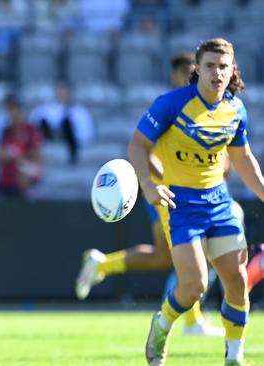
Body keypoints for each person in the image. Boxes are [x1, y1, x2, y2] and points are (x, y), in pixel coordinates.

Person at [129, 38, 264, 366]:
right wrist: (147, 185)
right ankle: (161, 326)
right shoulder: (171, 104)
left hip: (219, 201)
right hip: (181, 204)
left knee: (237, 280)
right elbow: (137, 146)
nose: (217, 73)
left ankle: (234, 358)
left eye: (224, 66)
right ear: (197, 69)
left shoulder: (235, 109)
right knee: (194, 287)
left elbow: (242, 157)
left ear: (233, 70)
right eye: (210, 66)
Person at [75, 52, 224, 337]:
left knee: (165, 256)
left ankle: (103, 264)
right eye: (186, 73)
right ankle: (192, 322)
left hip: (170, 189)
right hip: (166, 190)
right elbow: (145, 148)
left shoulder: (200, 106)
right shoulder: (174, 106)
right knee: (189, 251)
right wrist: (164, 178)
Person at [28, 81, 94, 164]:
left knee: (67, 121)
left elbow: (85, 135)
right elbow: (33, 127)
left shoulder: (80, 112)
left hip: (69, 142)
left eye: (65, 91)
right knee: (43, 121)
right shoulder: (44, 110)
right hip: (49, 139)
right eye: (60, 91)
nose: (62, 94)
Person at [0, 94, 42, 197]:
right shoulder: (6, 131)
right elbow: (1, 156)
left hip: (26, 180)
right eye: (9, 109)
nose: (12, 112)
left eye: (14, 108)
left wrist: (17, 154)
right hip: (6, 183)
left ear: (20, 109)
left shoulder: (31, 130)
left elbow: (36, 155)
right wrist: (16, 154)